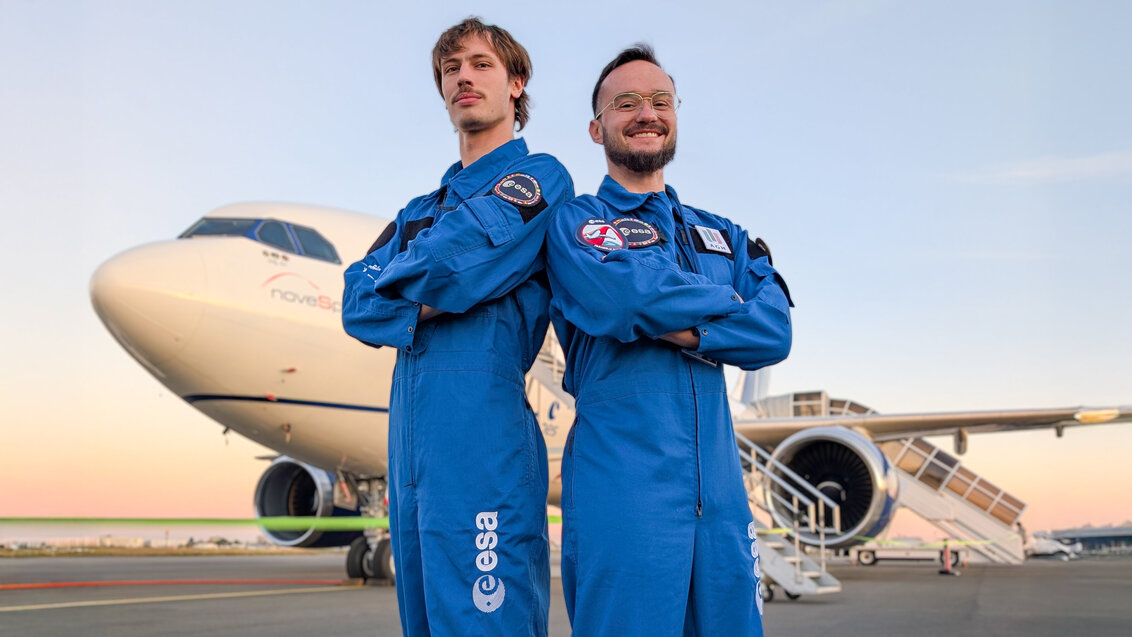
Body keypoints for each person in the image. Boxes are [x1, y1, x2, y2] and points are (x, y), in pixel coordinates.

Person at [545, 45, 793, 636]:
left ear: (676, 114)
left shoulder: (723, 233)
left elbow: (775, 330)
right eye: (625, 103)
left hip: (722, 498)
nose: (645, 113)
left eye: (660, 101)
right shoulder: (577, 222)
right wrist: (726, 311)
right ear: (596, 126)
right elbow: (624, 298)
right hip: (625, 490)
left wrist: (678, 324)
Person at [341, 18, 573, 637]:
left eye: (479, 64)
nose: (462, 77)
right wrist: (432, 297)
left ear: (516, 83)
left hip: (482, 446)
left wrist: (405, 291)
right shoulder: (417, 212)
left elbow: (455, 261)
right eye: (450, 70)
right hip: (412, 454)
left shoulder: (541, 177)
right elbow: (355, 305)